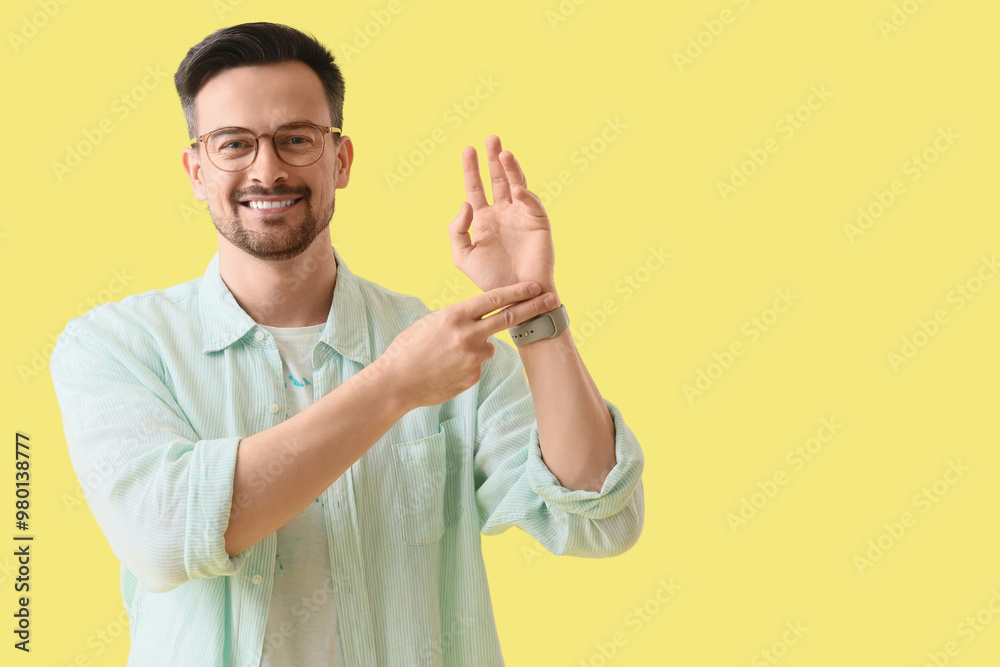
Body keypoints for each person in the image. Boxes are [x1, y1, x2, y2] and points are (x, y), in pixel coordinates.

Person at [49, 21, 645, 667]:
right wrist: (395, 386)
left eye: (296, 139)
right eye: (234, 144)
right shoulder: (115, 345)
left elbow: (598, 518)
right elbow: (165, 534)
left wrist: (532, 304)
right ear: (196, 171)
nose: (267, 169)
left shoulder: (448, 352)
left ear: (341, 160)